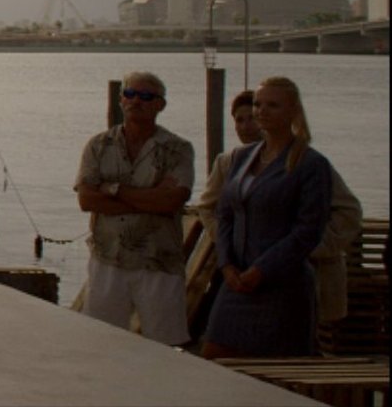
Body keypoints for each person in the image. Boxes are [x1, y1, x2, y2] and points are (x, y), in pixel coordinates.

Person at [190, 91, 361, 336]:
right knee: (223, 342)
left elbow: (348, 213)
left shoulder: (304, 161)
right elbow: (208, 208)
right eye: (240, 120)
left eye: (252, 117)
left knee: (294, 344)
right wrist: (234, 245)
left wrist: (304, 249)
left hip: (300, 275)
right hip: (242, 270)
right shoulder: (229, 162)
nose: (247, 126)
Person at [73, 71, 195, 346]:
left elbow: (170, 202)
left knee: (165, 346)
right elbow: (87, 201)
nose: (136, 101)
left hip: (159, 262)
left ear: (160, 104)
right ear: (121, 100)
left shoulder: (178, 149)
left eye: (146, 96)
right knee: (100, 343)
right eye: (130, 94)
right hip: (108, 259)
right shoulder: (98, 145)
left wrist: (113, 189)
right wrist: (150, 197)